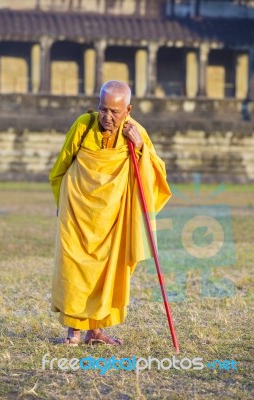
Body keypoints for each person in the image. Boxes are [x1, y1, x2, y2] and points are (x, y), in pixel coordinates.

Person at [49, 80, 171, 345]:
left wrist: (140, 149)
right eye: (103, 109)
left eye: (115, 112)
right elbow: (60, 167)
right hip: (76, 211)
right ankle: (74, 331)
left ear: (128, 109)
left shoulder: (136, 132)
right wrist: (62, 203)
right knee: (73, 268)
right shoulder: (83, 125)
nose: (107, 117)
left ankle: (96, 331)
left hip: (113, 217)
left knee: (107, 271)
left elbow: (157, 173)